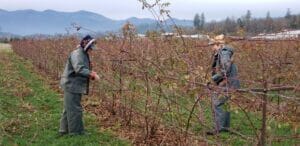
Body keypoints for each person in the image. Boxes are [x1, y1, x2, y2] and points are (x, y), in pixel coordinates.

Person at [58, 35, 100, 136]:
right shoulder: (78, 54)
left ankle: (64, 130)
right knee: (75, 109)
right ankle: (76, 132)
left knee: (69, 108)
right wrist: (92, 74)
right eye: (90, 48)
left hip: (72, 84)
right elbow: (79, 68)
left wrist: (90, 73)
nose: (91, 50)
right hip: (72, 84)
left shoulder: (81, 53)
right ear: (85, 44)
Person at [206, 34, 240, 135]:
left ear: (218, 45)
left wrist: (213, 79)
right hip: (228, 82)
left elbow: (225, 69)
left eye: (213, 45)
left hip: (227, 83)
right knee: (224, 104)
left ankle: (218, 128)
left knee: (217, 103)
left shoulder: (224, 53)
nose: (211, 47)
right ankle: (225, 127)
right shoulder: (222, 52)